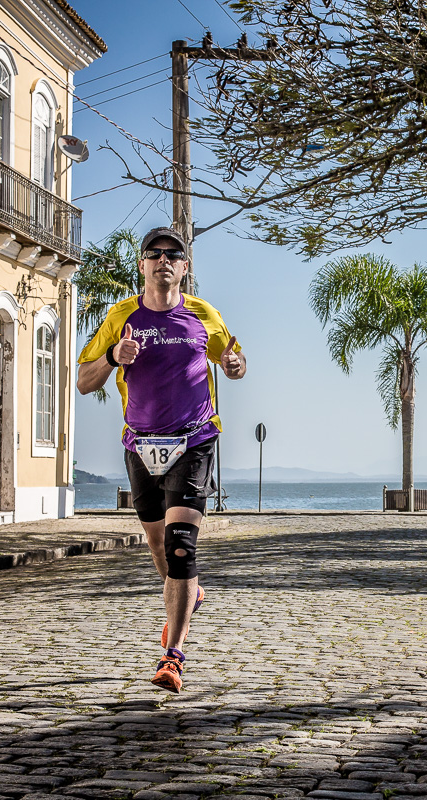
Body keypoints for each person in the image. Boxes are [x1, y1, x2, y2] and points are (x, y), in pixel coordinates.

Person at [76, 226, 246, 693]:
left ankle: (173, 655)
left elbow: (234, 358)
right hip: (140, 442)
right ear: (143, 264)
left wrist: (234, 366)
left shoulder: (201, 314)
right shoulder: (121, 316)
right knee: (157, 547)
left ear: (184, 268)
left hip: (194, 440)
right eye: (155, 254)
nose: (164, 260)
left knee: (179, 547)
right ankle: (188, 591)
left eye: (174, 254)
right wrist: (113, 355)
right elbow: (85, 381)